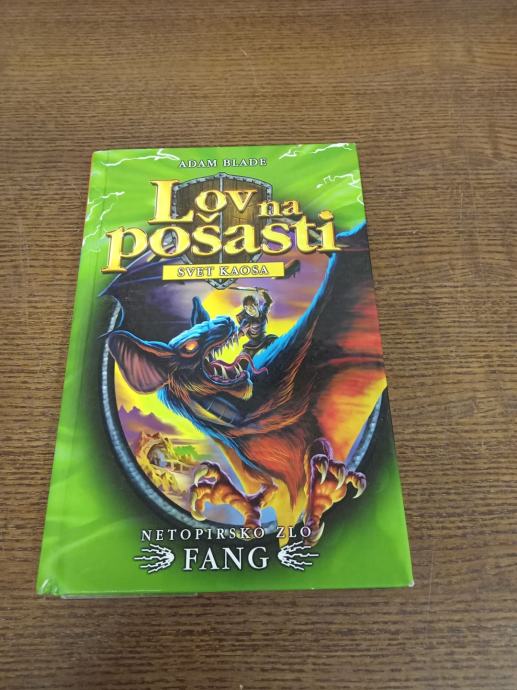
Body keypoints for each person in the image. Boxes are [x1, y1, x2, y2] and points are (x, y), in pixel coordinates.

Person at [236, 288, 277, 355]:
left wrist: (263, 293)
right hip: (252, 346)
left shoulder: (263, 313)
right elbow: (241, 332)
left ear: (256, 305)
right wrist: (236, 337)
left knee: (276, 341)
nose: (249, 310)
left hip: (265, 341)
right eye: (246, 308)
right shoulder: (246, 321)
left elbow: (269, 301)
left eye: (251, 307)